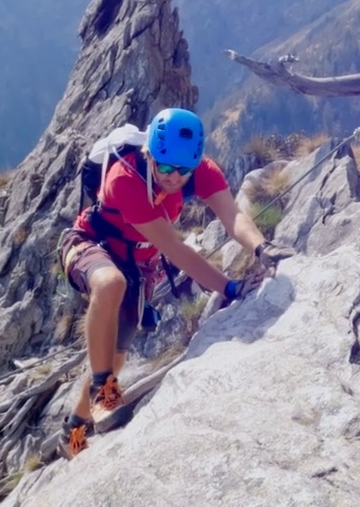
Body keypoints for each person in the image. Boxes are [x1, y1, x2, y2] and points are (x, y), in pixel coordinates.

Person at [55, 107, 295, 458]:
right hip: (89, 244)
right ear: (149, 153)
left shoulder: (201, 172)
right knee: (109, 284)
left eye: (183, 171)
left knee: (115, 358)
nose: (173, 178)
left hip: (138, 266)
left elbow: (233, 217)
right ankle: (102, 390)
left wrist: (262, 247)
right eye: (165, 167)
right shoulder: (125, 178)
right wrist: (228, 288)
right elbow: (174, 248)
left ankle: (73, 433)